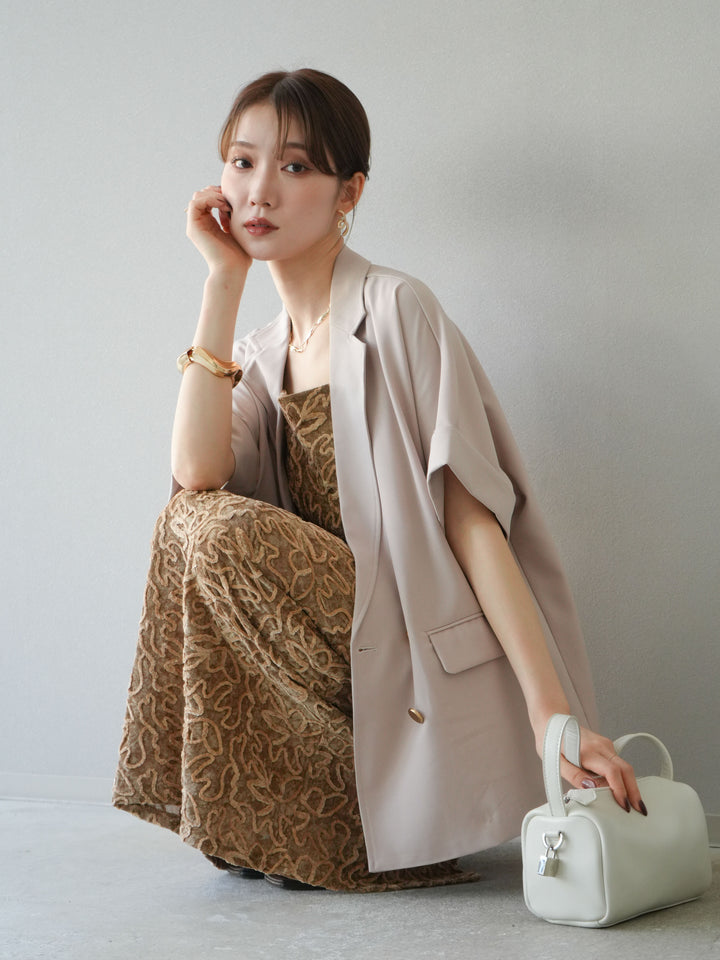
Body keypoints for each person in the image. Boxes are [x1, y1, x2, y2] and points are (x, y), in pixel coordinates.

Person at [113, 68, 644, 892]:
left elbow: (472, 519)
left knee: (208, 525)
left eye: (295, 166)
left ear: (349, 191)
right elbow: (196, 471)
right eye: (242, 162)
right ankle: (297, 816)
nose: (259, 191)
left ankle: (350, 827)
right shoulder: (259, 354)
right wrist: (222, 282)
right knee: (190, 517)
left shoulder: (398, 308)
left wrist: (553, 716)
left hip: (407, 636)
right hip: (332, 645)